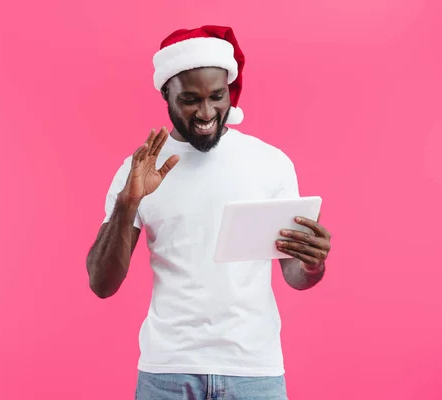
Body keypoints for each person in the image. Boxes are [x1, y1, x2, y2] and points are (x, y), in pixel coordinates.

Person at [85, 25, 332, 400]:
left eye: (217, 97)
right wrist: (127, 202)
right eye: (190, 99)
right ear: (166, 92)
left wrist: (313, 263)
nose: (206, 112)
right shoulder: (138, 169)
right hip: (167, 371)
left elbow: (295, 276)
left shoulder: (270, 163)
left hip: (254, 371)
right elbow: (102, 284)